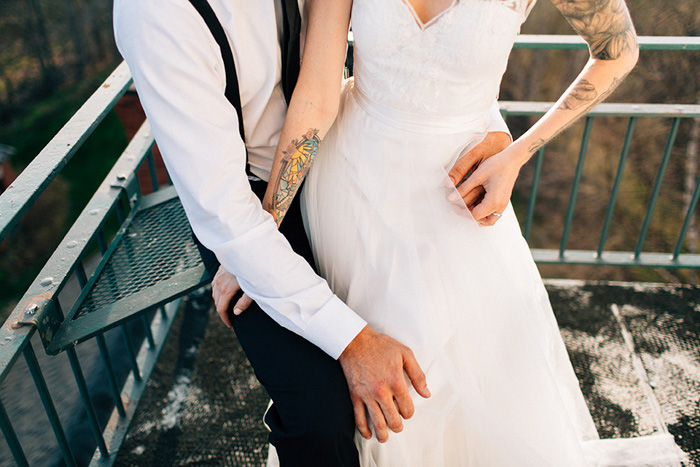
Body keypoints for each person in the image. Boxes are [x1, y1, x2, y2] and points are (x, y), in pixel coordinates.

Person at [218, 0, 689, 464]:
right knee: (366, 383)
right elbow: (316, 96)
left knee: (455, 377)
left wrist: (519, 153)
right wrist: (264, 239)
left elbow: (617, 52)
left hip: (459, 196)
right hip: (351, 186)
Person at [113, 1, 512, 464]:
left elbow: (442, 47)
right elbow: (226, 214)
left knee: (441, 347)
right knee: (318, 413)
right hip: (247, 201)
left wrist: (492, 130)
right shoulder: (157, 15)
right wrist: (352, 341)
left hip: (351, 161)